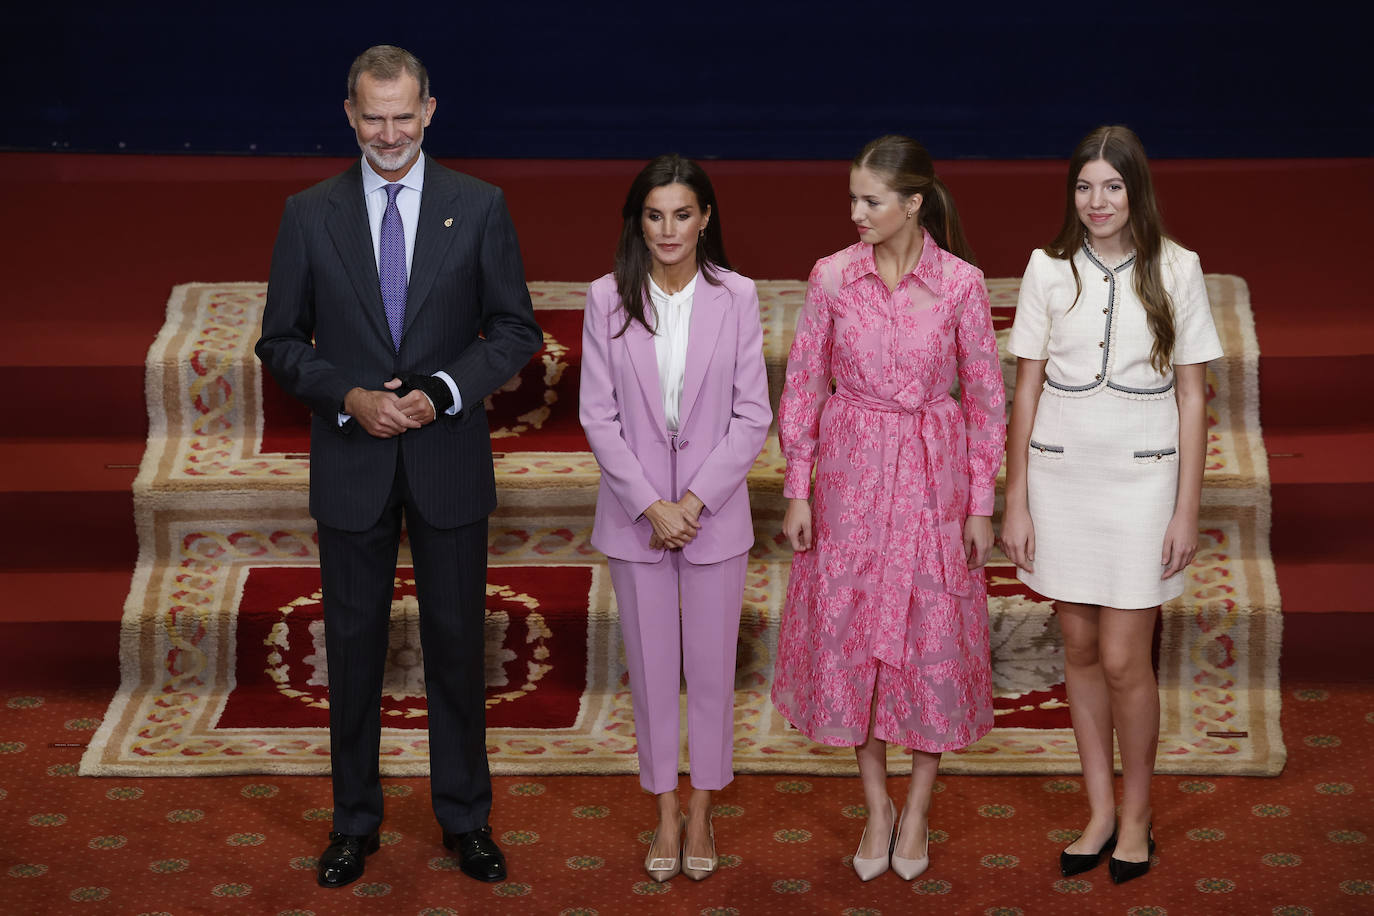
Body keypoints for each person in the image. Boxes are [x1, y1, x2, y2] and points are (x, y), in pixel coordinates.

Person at [255, 45, 542, 888]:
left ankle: (465, 821)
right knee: (352, 649)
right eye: (372, 116)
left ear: (430, 111)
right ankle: (354, 825)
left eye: (403, 115)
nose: (389, 132)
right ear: (349, 113)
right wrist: (349, 396)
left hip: (447, 457)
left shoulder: (479, 206)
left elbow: (515, 330)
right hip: (352, 462)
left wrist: (444, 391)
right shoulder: (309, 213)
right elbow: (279, 341)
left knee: (458, 648)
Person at [771, 135, 1006, 881]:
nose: (856, 213)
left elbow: (988, 400)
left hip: (933, 480)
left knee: (930, 633)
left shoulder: (962, 283)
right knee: (854, 635)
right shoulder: (832, 277)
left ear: (914, 203)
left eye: (870, 200)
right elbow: (804, 384)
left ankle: (920, 806)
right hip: (851, 478)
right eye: (852, 199)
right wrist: (799, 487)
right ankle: (877, 804)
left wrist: (979, 502)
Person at [1000, 125, 1223, 885]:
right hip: (1061, 480)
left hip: (1141, 484)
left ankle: (1136, 815)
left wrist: (1186, 509)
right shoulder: (1046, 269)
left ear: (1137, 191)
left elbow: (1193, 398)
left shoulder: (1178, 269)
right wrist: (1016, 500)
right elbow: (1025, 384)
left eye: (1113, 187)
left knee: (1128, 657)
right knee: (1083, 653)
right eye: (1085, 187)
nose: (1097, 202)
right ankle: (1097, 811)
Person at [579, 154, 771, 882]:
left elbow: (752, 414)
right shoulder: (606, 297)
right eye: (654, 215)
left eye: (682, 214)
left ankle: (701, 809)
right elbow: (598, 416)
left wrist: (691, 503)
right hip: (636, 521)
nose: (668, 229)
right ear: (638, 222)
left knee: (713, 675)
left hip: (711, 519)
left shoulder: (738, 296)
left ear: (705, 220)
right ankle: (663, 811)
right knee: (654, 673)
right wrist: (651, 506)